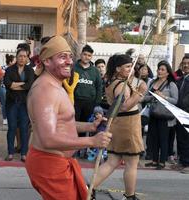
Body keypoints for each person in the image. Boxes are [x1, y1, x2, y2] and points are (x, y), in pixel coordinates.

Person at [25, 36, 112, 200]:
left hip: (58, 162)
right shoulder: (46, 90)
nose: (69, 62)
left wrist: (91, 126)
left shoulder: (56, 86)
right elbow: (48, 139)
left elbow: (63, 123)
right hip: (49, 163)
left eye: (70, 56)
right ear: (47, 61)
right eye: (62, 57)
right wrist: (91, 142)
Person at [91, 54, 147, 200]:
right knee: (131, 162)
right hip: (127, 125)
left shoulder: (115, 81)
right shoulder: (120, 85)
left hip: (119, 123)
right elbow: (124, 106)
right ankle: (130, 196)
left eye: (131, 66)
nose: (131, 69)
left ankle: (89, 188)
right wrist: (141, 91)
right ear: (118, 68)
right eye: (127, 67)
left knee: (112, 161)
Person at [143, 61, 178, 170]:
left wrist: (163, 96)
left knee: (163, 139)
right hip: (153, 114)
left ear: (168, 72)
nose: (159, 71)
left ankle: (162, 161)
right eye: (159, 69)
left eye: (162, 69)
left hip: (165, 116)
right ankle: (154, 160)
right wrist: (142, 97)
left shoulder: (171, 84)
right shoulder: (153, 82)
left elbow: (175, 100)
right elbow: (148, 97)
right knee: (154, 138)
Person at [4, 48, 35, 162]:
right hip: (12, 102)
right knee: (11, 127)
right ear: (16, 57)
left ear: (27, 58)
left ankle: (24, 153)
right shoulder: (9, 70)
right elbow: (8, 84)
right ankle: (10, 152)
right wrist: (22, 84)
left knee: (24, 128)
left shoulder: (30, 70)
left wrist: (15, 85)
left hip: (24, 103)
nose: (22, 58)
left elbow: (30, 85)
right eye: (20, 56)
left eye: (24, 56)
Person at [74, 45, 103, 137]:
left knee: (86, 126)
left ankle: (82, 147)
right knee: (74, 125)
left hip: (90, 102)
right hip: (75, 101)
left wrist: (97, 103)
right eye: (85, 54)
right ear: (81, 54)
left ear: (91, 57)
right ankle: (72, 146)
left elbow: (99, 87)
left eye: (89, 55)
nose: (86, 57)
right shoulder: (73, 67)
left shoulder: (95, 71)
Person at [174, 55, 189, 174]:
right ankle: (183, 161)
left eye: (188, 63)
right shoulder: (181, 79)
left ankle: (187, 163)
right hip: (179, 112)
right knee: (180, 138)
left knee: (187, 138)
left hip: (187, 113)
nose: (186, 65)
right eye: (184, 63)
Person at [0, 54, 15, 125]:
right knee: (4, 102)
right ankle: (5, 118)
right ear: (10, 62)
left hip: (13, 88)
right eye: (14, 60)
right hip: (3, 87)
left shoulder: (16, 69)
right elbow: (1, 79)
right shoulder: (3, 68)